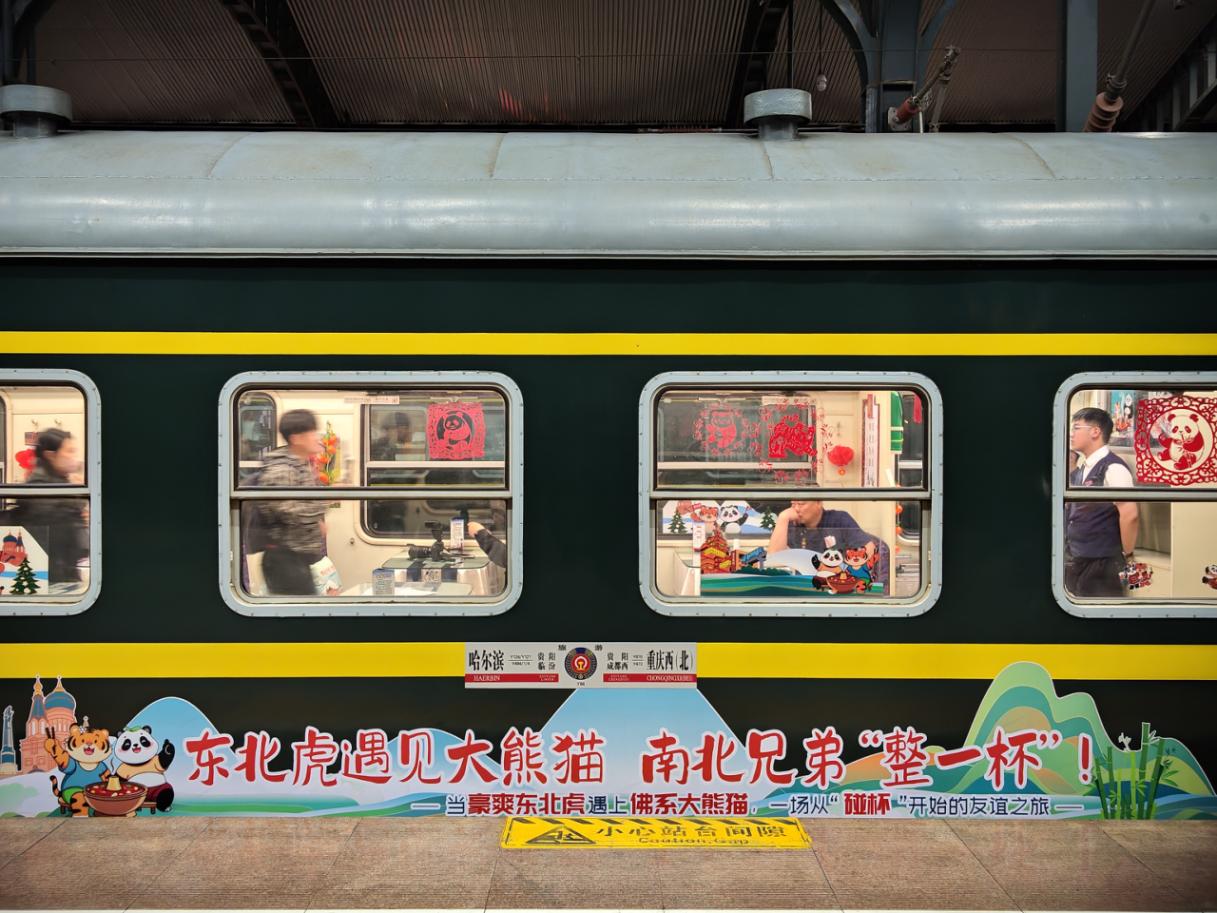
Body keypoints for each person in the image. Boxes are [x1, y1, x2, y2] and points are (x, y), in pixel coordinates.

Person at [1065, 407, 1139, 597]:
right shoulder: (1084, 468)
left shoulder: (1113, 467)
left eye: (1076, 428)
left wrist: (1128, 554)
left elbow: (1130, 515)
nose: (1071, 434)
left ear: (1095, 432)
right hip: (1079, 559)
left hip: (1103, 564)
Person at [256, 409, 329, 596]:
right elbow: (288, 511)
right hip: (284, 559)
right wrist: (326, 500)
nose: (318, 437)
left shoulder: (300, 465)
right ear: (296, 439)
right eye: (312, 432)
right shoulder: (282, 470)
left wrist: (317, 521)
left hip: (296, 559)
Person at [16, 429, 88, 594]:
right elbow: (56, 527)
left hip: (63, 571)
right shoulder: (39, 486)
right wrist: (77, 498)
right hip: (49, 576)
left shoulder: (61, 482)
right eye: (69, 451)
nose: (74, 457)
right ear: (50, 455)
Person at [766, 500, 885, 586]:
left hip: (836, 586)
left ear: (818, 503)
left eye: (801, 504)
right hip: (803, 587)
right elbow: (773, 559)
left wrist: (845, 573)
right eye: (793, 504)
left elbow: (869, 549)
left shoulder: (839, 520)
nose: (795, 509)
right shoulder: (793, 525)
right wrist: (783, 518)